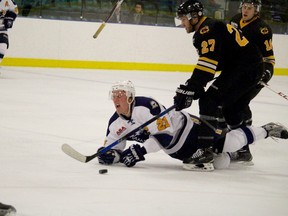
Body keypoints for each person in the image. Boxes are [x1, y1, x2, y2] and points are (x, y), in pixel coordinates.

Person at [96, 80, 288, 171]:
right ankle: (231, 155)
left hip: (190, 130)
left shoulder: (147, 106)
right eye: (114, 96)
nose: (116, 98)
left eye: (120, 94)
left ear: (130, 97)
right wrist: (110, 156)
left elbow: (165, 137)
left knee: (227, 143)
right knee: (221, 163)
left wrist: (139, 152)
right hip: (177, 151)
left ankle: (266, 129)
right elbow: (114, 147)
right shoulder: (115, 123)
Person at [173, 0, 263, 169]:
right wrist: (194, 87)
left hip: (244, 69)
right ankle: (242, 150)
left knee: (209, 101)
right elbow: (215, 64)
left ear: (194, 17)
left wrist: (190, 89)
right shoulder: (210, 27)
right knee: (231, 108)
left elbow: (207, 67)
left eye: (183, 19)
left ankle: (205, 151)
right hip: (250, 67)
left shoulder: (207, 30)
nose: (182, 23)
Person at [228, 0, 275, 164]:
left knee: (237, 105)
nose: (245, 10)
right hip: (237, 71)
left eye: (250, 8)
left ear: (257, 10)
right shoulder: (234, 20)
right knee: (238, 105)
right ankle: (242, 145)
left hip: (255, 73)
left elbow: (269, 58)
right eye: (244, 7)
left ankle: (243, 149)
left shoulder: (262, 29)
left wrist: (266, 73)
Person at [0, 0, 18, 66]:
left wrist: (10, 17)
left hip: (2, 29)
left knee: (2, 46)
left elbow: (15, 10)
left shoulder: (8, 1)